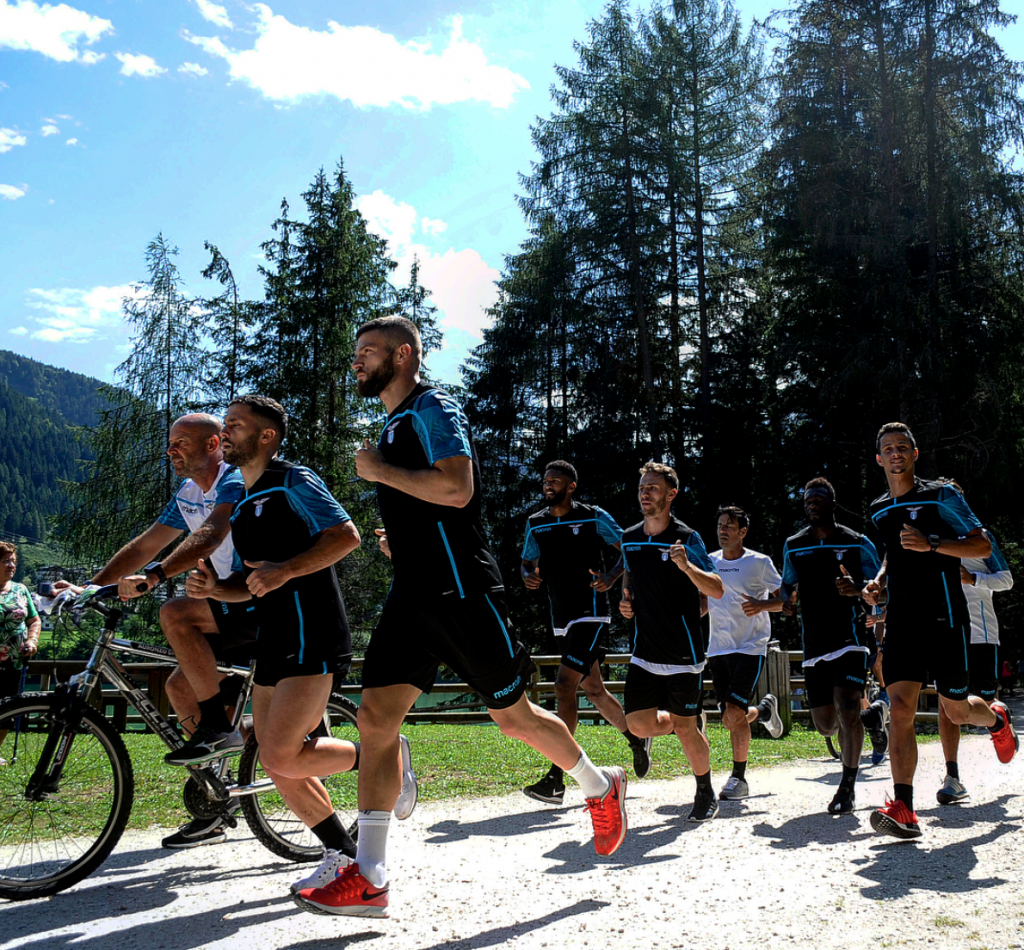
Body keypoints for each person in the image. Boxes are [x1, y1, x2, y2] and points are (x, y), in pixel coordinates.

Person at [296, 316, 627, 919]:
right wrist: (403, 537)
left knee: (514, 717)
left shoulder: (433, 408)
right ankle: (370, 877)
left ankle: (600, 786)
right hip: (412, 594)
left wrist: (379, 472)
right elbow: (428, 507)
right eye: (354, 354)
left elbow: (456, 488)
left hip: (461, 591)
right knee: (375, 721)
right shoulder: (394, 423)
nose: (356, 363)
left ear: (403, 355)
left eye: (367, 352)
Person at [185, 395, 412, 897]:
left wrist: (286, 569)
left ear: (266, 436)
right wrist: (215, 591)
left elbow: (346, 535)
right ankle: (342, 854)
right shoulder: (242, 499)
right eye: (224, 426)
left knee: (284, 753)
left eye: (235, 426)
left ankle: (384, 754)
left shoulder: (294, 480)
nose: (225, 434)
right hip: (273, 636)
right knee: (273, 757)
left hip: (313, 632)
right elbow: (251, 583)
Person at [56, 413, 256, 848]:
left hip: (255, 599)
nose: (171, 451)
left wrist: (155, 576)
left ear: (213, 444)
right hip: (222, 607)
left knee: (176, 613)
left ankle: (225, 731)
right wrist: (92, 586)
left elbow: (208, 536)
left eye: (181, 442)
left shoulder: (233, 480)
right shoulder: (187, 492)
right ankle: (216, 798)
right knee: (182, 689)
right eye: (170, 443)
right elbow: (147, 543)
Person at [865, 422, 1017, 839]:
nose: (895, 454)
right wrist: (879, 580)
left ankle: (996, 720)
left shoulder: (942, 495)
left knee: (955, 711)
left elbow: (982, 546)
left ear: (914, 454)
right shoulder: (879, 508)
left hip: (946, 617)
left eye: (902, 447)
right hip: (902, 621)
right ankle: (903, 808)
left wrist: (933, 543)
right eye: (887, 449)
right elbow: (892, 554)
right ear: (879, 459)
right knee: (900, 708)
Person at [521, 460, 650, 804]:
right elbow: (527, 561)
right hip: (561, 617)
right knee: (593, 689)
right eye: (545, 481)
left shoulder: (593, 516)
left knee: (564, 685)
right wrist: (527, 574)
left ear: (571, 486)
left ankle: (557, 777)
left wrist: (611, 578)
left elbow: (630, 547)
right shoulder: (536, 523)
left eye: (555, 481)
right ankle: (636, 741)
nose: (548, 486)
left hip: (592, 615)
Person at [618, 462, 724, 822]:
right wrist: (626, 600)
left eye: (653, 488)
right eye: (642, 487)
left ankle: (705, 791)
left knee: (684, 727)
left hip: (684, 653)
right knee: (637, 725)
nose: (645, 493)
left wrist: (687, 568)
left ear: (671, 494)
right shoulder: (630, 536)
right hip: (644, 651)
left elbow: (717, 589)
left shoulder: (687, 538)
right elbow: (630, 575)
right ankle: (689, 723)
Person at [781, 478, 884, 815]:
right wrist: (786, 600)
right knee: (826, 723)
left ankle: (847, 786)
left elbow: (878, 589)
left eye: (818, 499)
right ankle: (872, 718)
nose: (812, 503)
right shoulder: (793, 545)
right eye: (807, 499)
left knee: (848, 706)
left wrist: (857, 589)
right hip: (814, 643)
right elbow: (786, 587)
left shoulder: (856, 542)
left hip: (850, 639)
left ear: (832, 504)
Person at [706, 506, 785, 801]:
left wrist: (761, 605)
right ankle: (764, 712)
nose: (723, 530)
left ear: (743, 532)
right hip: (718, 648)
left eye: (729, 525)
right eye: (720, 525)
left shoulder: (759, 563)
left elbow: (786, 601)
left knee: (734, 713)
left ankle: (738, 778)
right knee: (729, 717)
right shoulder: (710, 562)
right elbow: (705, 602)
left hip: (750, 646)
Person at [936, 523, 1013, 805]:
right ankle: (952, 777)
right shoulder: (930, 539)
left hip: (981, 633)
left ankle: (998, 722)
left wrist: (973, 579)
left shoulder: (980, 539)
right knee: (947, 704)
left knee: (984, 700)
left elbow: (1007, 580)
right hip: (945, 633)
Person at [0, 542, 40, 766]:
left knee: (8, 709)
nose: (12, 565)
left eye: (13, 560)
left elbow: (34, 619)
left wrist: (32, 640)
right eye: (6, 560)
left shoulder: (20, 590)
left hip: (14, 661)